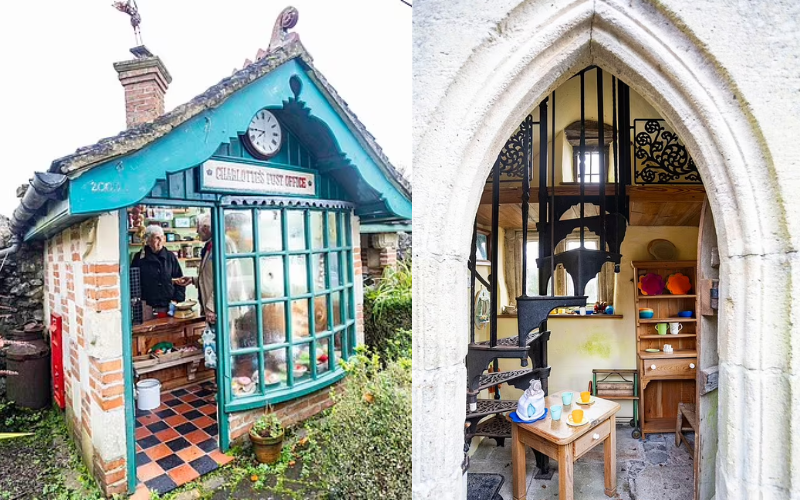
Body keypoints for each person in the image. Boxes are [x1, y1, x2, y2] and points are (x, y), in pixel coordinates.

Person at [131, 225, 186, 308]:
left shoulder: (170, 256)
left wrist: (177, 300)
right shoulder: (139, 258)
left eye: (162, 237)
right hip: (147, 306)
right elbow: (133, 281)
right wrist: (135, 301)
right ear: (148, 240)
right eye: (156, 238)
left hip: (169, 305)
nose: (160, 240)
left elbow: (180, 280)